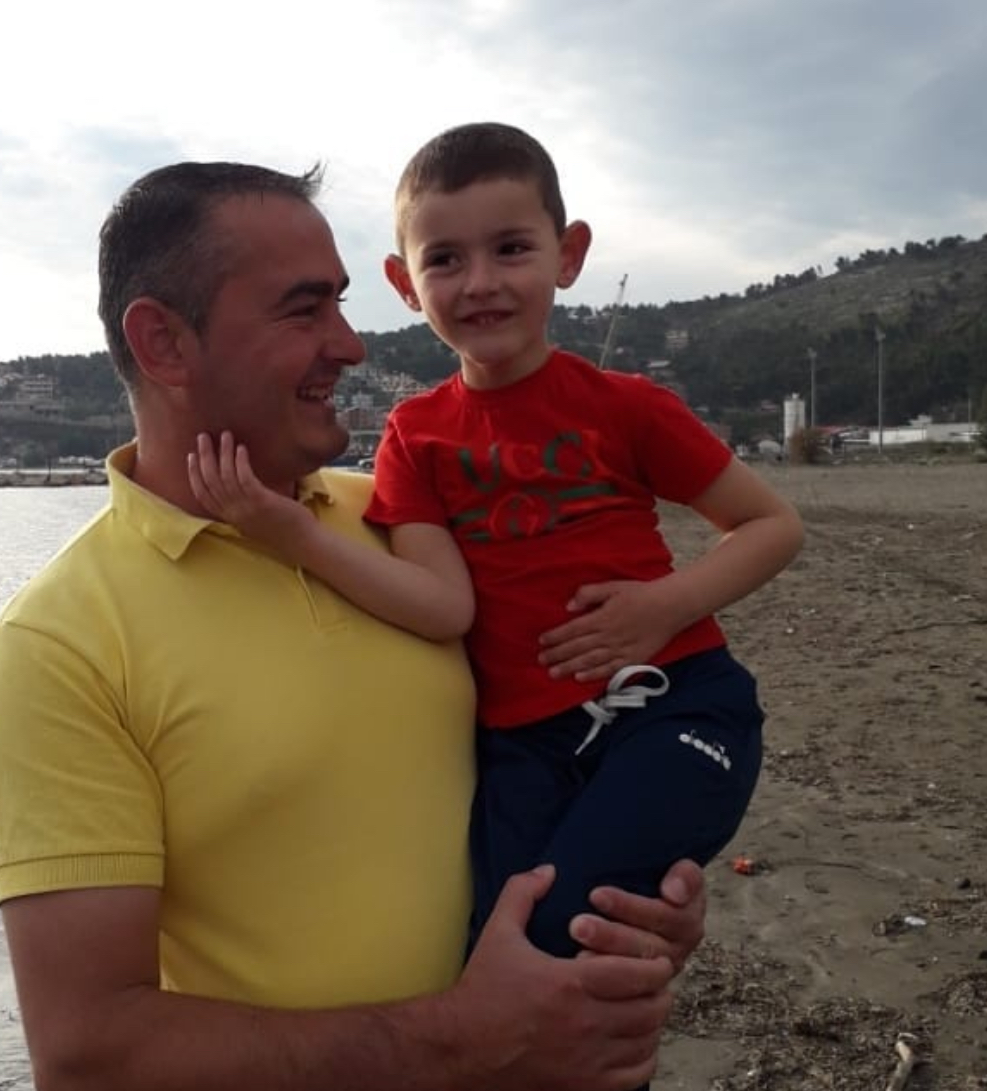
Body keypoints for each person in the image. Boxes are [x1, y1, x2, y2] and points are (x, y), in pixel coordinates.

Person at [0, 159, 708, 1091]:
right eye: (303, 310)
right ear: (164, 343)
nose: (352, 346)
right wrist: (463, 1038)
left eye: (343, 303)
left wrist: (629, 888)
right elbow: (88, 1055)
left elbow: (571, 735)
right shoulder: (59, 646)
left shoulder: (413, 525)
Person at [186, 124, 804, 975]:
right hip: (523, 749)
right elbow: (443, 606)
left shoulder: (626, 407)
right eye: (444, 260)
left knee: (555, 936)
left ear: (567, 255)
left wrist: (667, 605)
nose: (479, 283)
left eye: (511, 248)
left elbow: (772, 526)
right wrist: (291, 533)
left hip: (674, 706)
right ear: (405, 284)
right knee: (492, 949)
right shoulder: (416, 435)